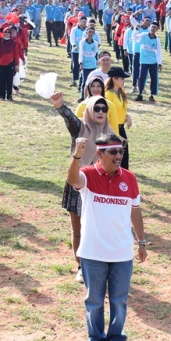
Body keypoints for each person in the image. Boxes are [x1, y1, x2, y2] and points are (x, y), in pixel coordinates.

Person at [67, 133, 146, 341]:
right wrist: (77, 155)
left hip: (122, 253)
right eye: (113, 152)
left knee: (119, 300)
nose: (118, 155)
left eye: (121, 151)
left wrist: (141, 241)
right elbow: (72, 180)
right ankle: (96, 340)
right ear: (99, 154)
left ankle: (116, 339)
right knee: (94, 300)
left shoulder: (129, 178)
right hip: (93, 253)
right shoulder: (88, 175)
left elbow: (135, 210)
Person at [52, 92, 115, 283]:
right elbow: (69, 117)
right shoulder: (80, 128)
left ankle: (100, 266)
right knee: (78, 229)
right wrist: (59, 105)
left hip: (100, 186)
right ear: (89, 109)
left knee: (98, 229)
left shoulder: (110, 133)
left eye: (104, 109)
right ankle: (81, 267)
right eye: (96, 108)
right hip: (78, 183)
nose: (100, 111)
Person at [104, 67, 133, 169]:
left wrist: (127, 116)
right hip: (112, 130)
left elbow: (119, 110)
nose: (124, 81)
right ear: (114, 79)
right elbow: (106, 117)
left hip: (121, 128)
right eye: (122, 79)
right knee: (115, 159)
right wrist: (116, 135)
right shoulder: (108, 95)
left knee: (124, 158)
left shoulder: (121, 92)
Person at [134, 22, 163, 102]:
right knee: (142, 77)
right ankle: (140, 94)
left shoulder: (157, 39)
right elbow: (134, 38)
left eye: (155, 28)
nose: (153, 29)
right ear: (149, 27)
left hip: (153, 61)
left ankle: (151, 94)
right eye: (152, 27)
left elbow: (159, 52)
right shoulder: (143, 35)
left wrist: (160, 63)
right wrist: (136, 30)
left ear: (157, 29)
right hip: (144, 61)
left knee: (154, 78)